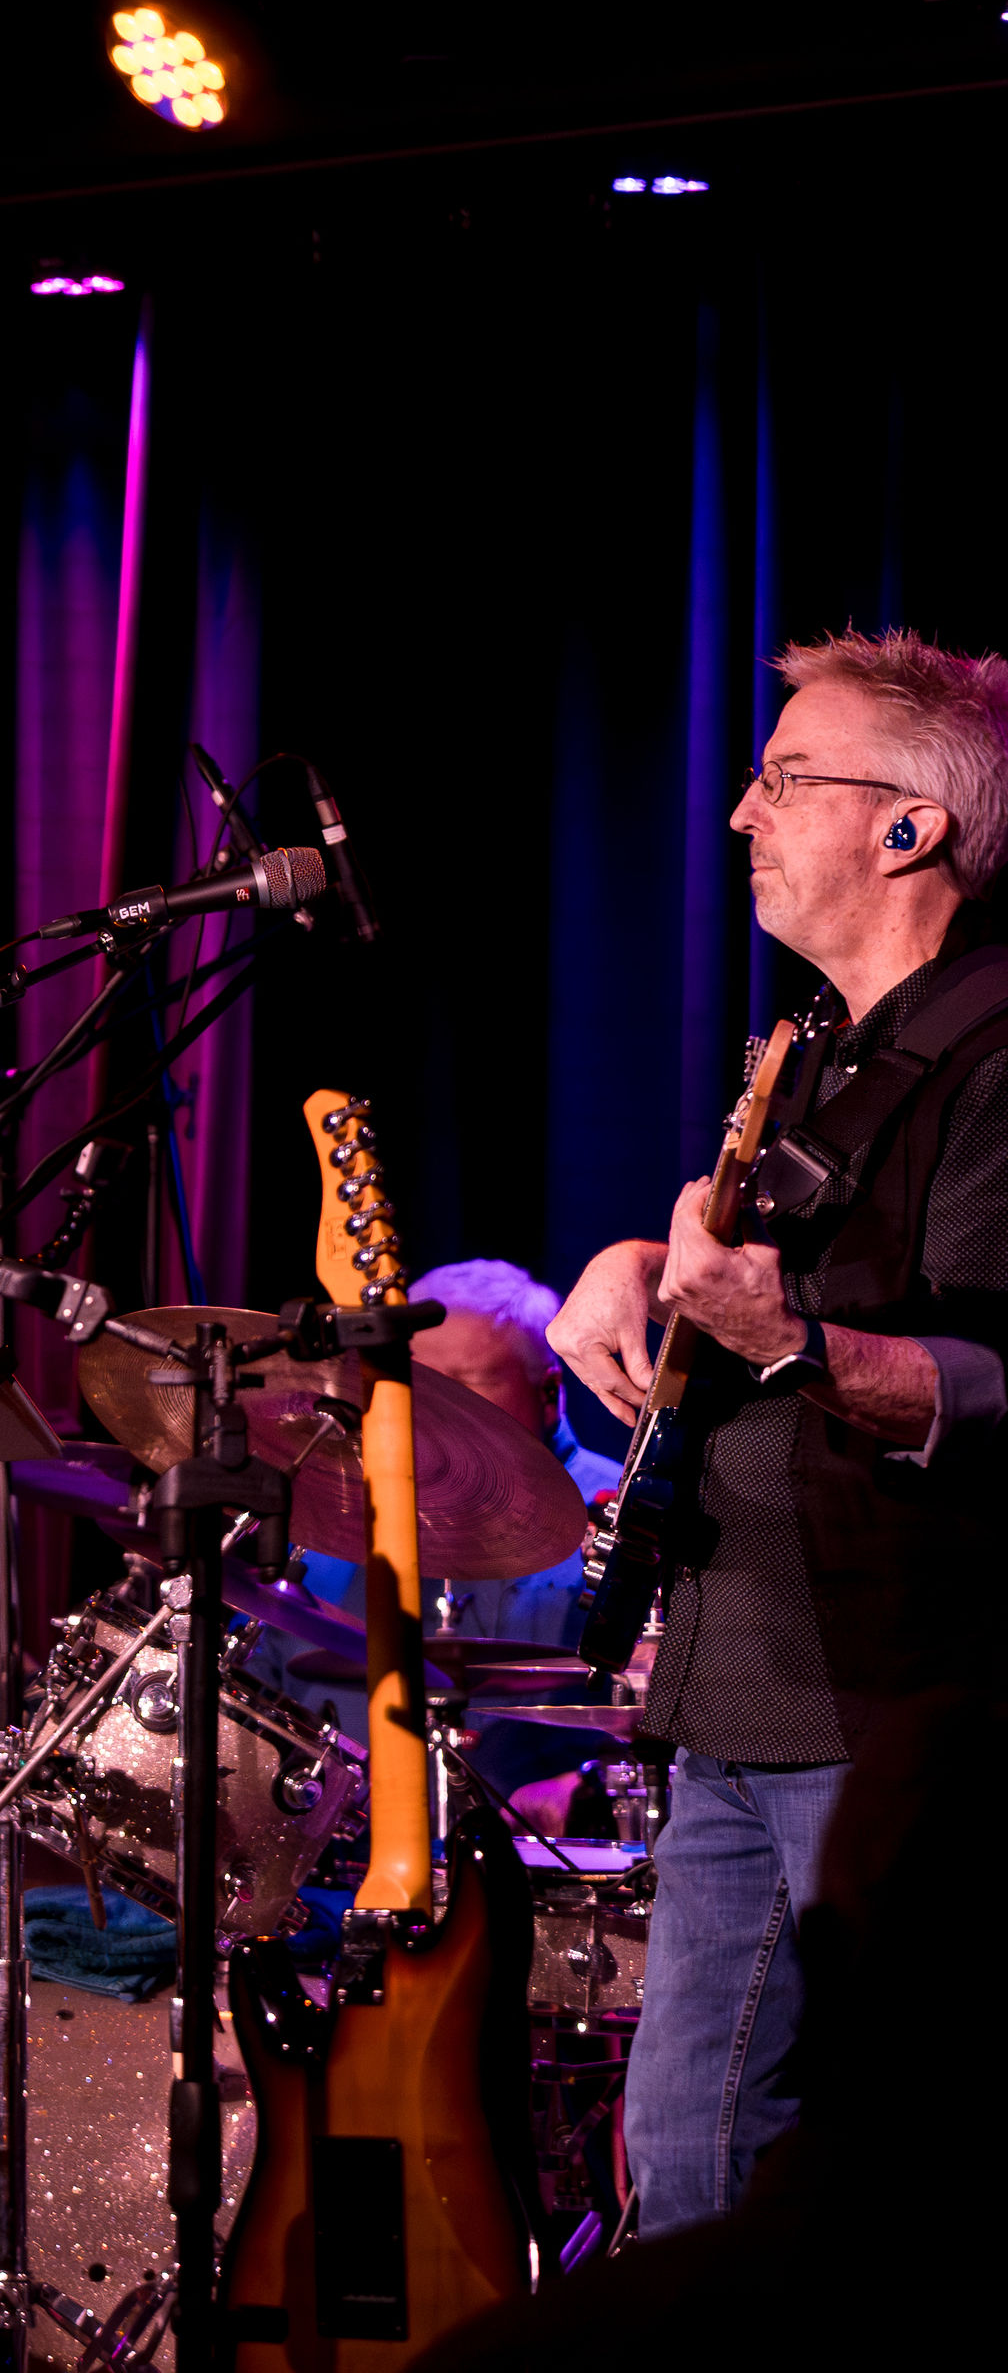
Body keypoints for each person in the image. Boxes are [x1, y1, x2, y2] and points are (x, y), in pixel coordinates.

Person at [547, 628, 1008, 2238]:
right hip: (734, 1685)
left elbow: (992, 1378)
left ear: (910, 827)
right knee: (689, 2177)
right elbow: (769, 1276)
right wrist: (634, 1264)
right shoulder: (816, 1056)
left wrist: (789, 1340)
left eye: (784, 778)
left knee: (868, 2183)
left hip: (881, 1700)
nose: (742, 812)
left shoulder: (995, 1052)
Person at [234, 1258, 623, 1800]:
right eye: (416, 1387)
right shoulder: (329, 1520)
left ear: (548, 1390)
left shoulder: (626, 1513)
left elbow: (674, 1707)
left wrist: (584, 1787)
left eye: (468, 1384)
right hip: (341, 1836)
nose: (436, 1412)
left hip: (553, 1844)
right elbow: (252, 1695)